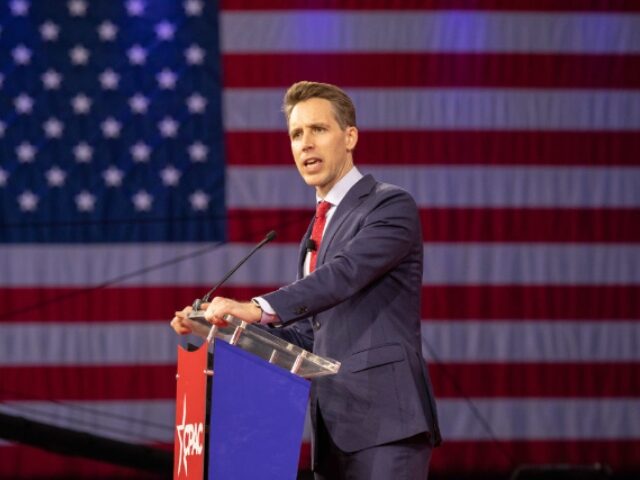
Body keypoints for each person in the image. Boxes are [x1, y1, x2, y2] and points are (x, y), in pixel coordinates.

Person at [171, 81, 441, 479]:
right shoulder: (315, 233)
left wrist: (257, 307)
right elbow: (311, 336)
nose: (305, 143)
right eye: (296, 134)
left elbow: (344, 275)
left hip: (387, 422)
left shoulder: (389, 205)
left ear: (349, 137)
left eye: (318, 129)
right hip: (332, 429)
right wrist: (227, 327)